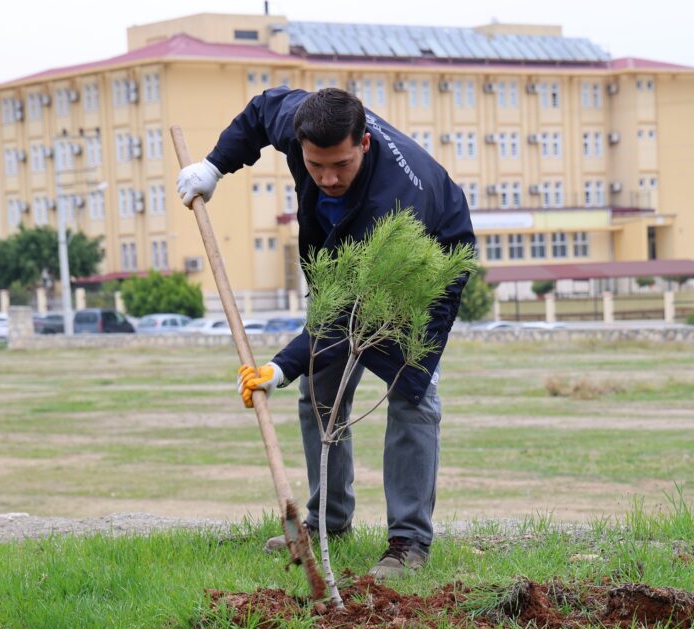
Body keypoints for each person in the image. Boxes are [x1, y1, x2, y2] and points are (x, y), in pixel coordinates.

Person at [177, 87, 475, 580]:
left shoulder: (398, 200)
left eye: (340, 165)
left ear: (364, 144)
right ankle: (328, 522)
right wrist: (214, 167)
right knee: (321, 390)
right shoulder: (301, 122)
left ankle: (408, 543)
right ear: (300, 145)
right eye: (316, 167)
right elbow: (258, 112)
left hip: (423, 261)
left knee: (411, 395)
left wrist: (281, 366)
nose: (327, 178)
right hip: (343, 259)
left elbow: (352, 317)